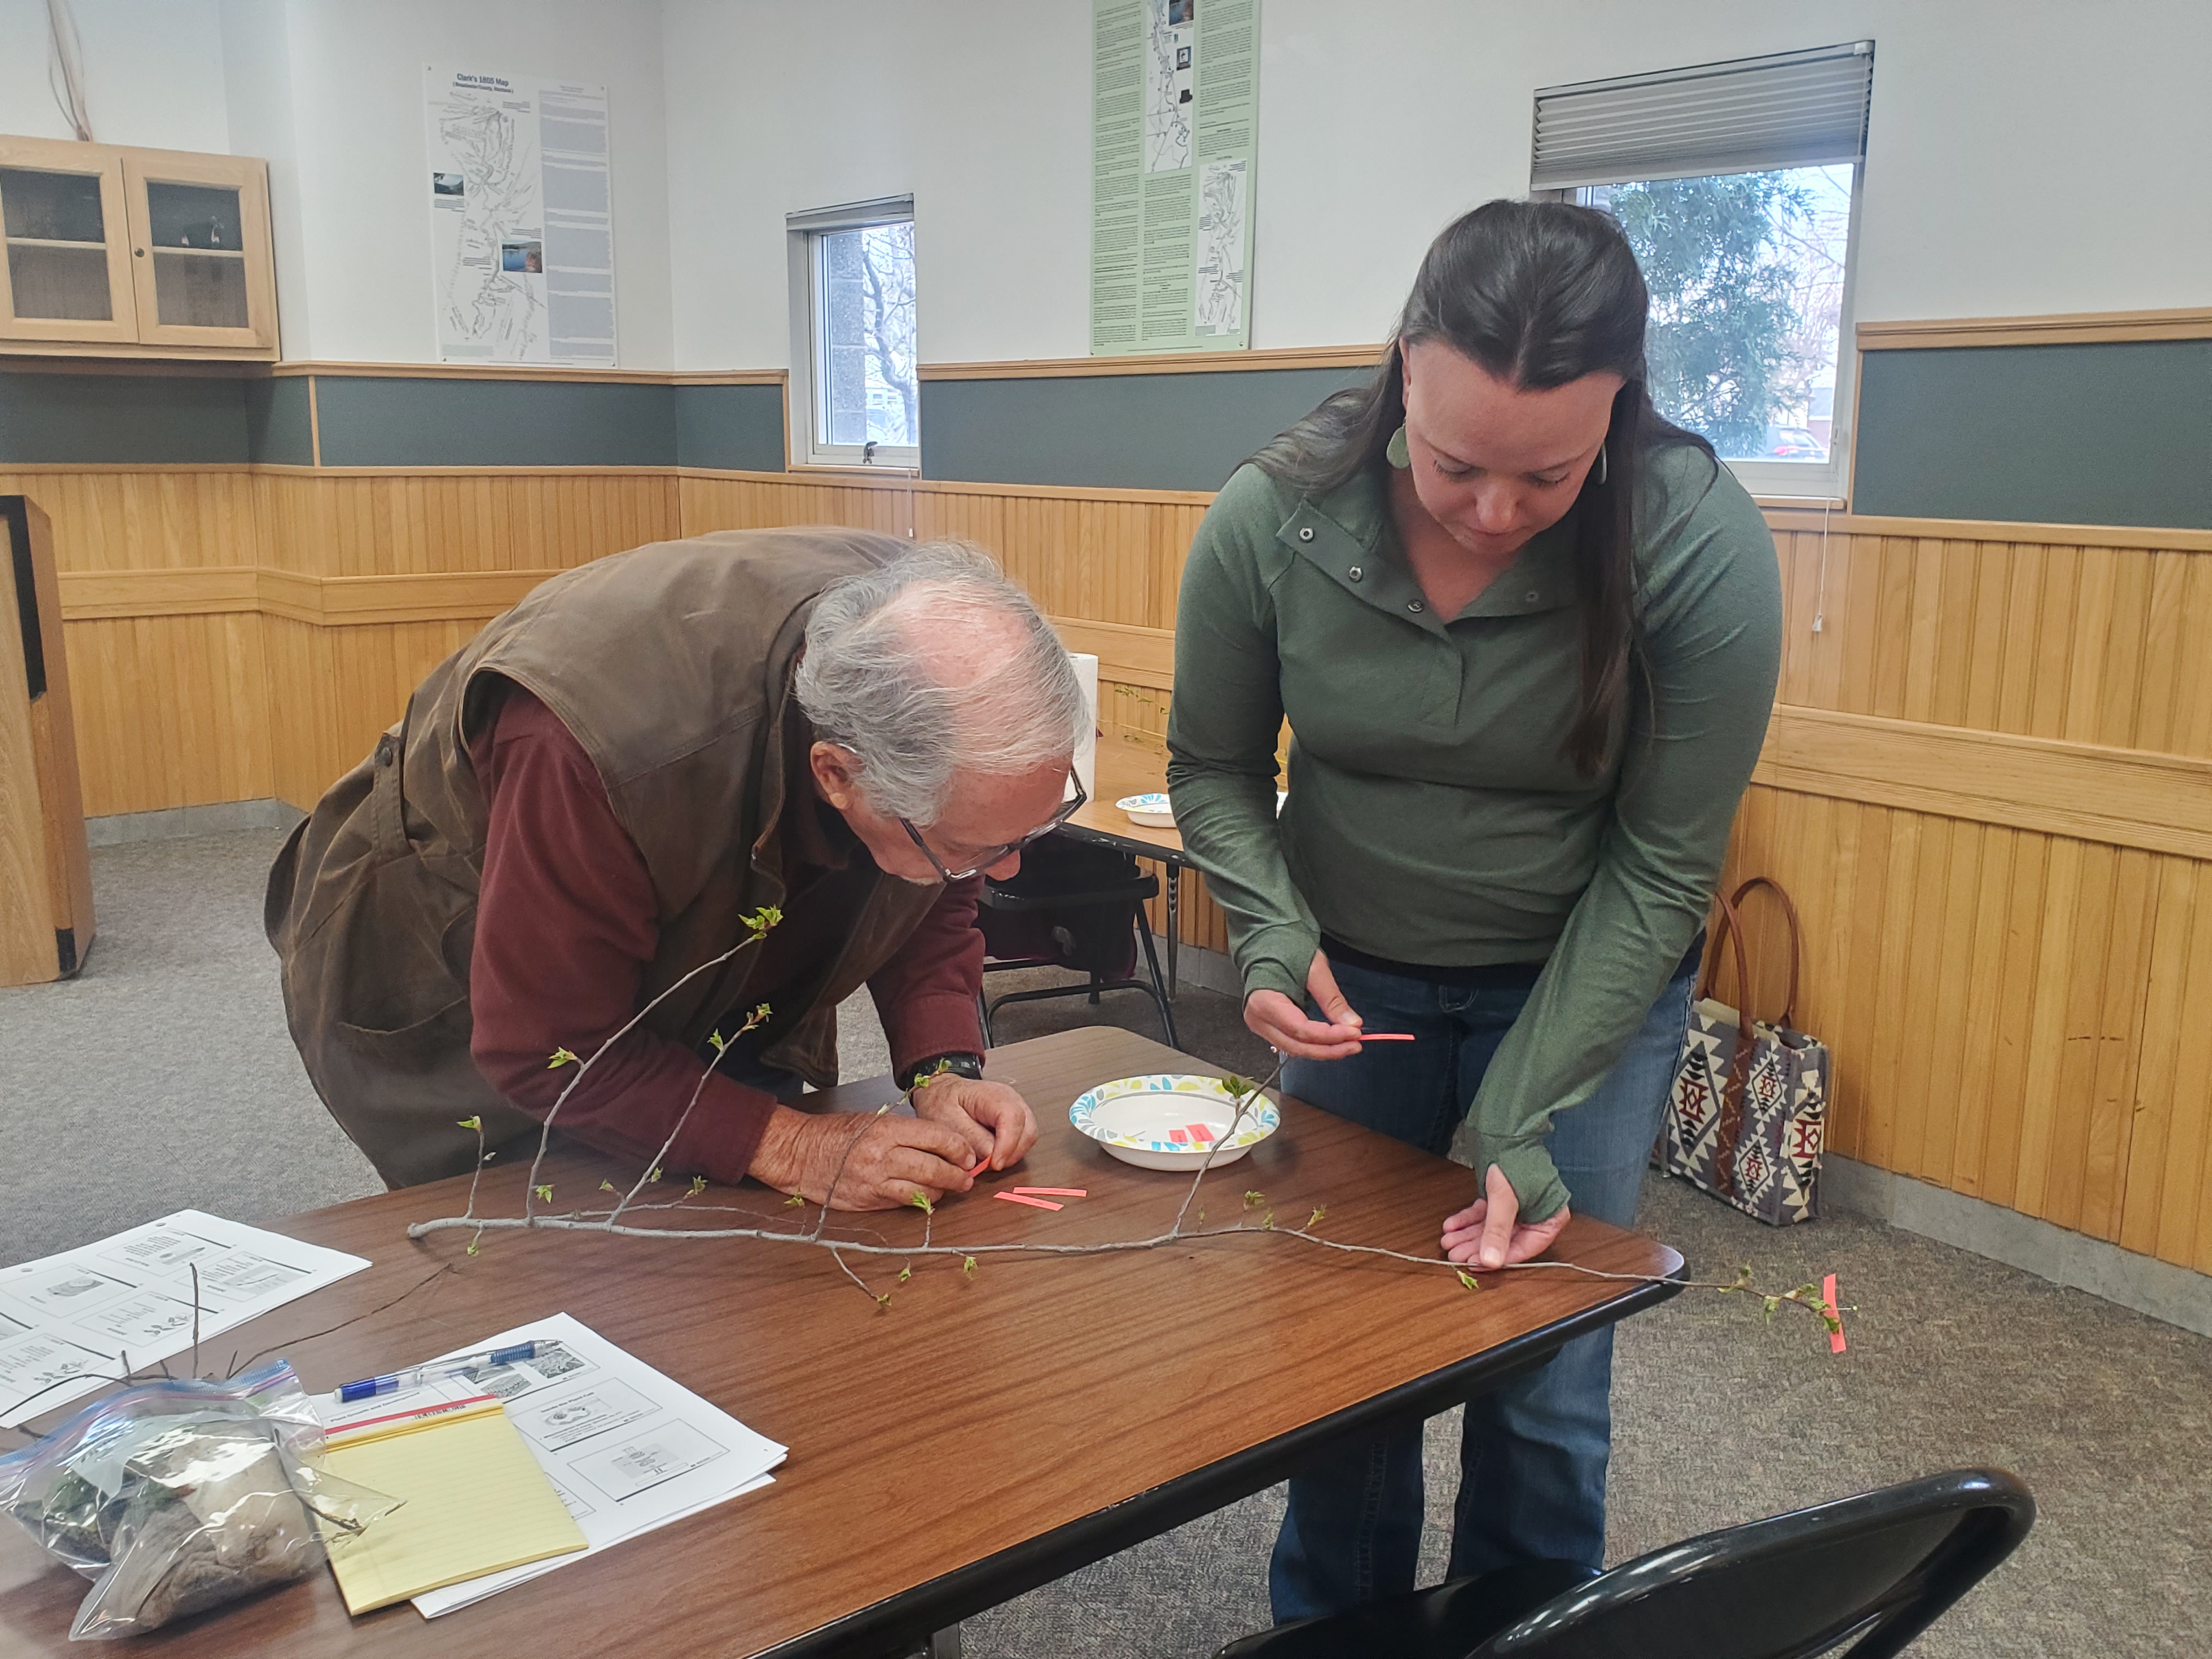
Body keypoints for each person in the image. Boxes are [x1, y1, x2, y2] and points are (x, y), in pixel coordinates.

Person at [1165, 200, 1783, 1616]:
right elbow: (1209, 766)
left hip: (1591, 989)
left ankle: (1532, 1628)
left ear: (1619, 408)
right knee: (1340, 1340)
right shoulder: (1274, 513)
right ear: (1402, 375)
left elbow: (1662, 862)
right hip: (1353, 990)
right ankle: (1341, 1630)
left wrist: (1519, 1108)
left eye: (1550, 476)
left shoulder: (1696, 541)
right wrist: (1268, 930)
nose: (1495, 513)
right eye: (1454, 465)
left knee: (1545, 1356)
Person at [267, 532, 1088, 1206]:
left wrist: (942, 1065)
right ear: (837, 774)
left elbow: (936, 877)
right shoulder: (597, 747)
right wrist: (790, 1143)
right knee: (561, 1262)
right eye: (981, 848)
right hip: (456, 962)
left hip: (706, 921)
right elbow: (549, 1047)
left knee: (742, 1260)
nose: (1007, 870)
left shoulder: (935, 647)